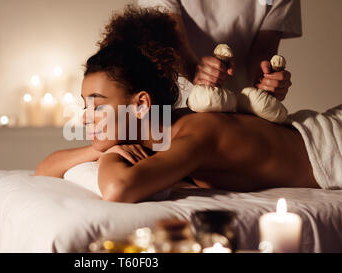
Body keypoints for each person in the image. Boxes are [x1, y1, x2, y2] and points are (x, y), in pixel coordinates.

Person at [33, 6, 340, 204]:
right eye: (85, 106)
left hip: (333, 146)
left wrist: (108, 154)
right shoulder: (155, 134)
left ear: (141, 104)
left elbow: (119, 189)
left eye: (97, 107)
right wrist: (101, 148)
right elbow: (45, 168)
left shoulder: (195, 135)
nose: (86, 118)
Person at [138, 0, 302, 102]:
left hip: (238, 109)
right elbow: (168, 35)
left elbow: (263, 51)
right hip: (174, 105)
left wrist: (267, 82)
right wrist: (194, 71)